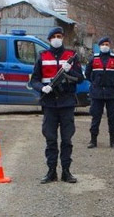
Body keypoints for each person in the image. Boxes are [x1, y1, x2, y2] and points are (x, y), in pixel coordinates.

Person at [29, 26, 84, 184]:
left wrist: (70, 70)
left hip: (67, 102)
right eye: (54, 37)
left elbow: (80, 78)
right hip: (50, 103)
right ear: (49, 40)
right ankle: (51, 171)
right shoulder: (42, 56)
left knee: (67, 140)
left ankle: (66, 172)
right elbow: (34, 80)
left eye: (59, 36)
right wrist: (42, 88)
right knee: (50, 139)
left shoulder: (71, 56)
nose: (57, 39)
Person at [85, 36, 114, 149]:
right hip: (97, 93)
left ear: (110, 46)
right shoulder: (93, 59)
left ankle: (113, 140)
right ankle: (93, 140)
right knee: (95, 117)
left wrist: (113, 82)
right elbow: (88, 74)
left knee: (112, 117)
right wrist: (95, 83)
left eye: (107, 44)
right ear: (99, 46)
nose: (105, 46)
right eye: (103, 44)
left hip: (111, 93)